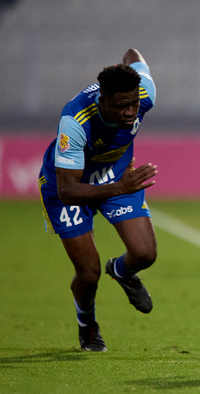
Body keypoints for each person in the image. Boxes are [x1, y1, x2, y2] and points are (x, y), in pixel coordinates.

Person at [38, 49, 158, 351]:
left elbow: (133, 54)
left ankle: (120, 271)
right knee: (89, 274)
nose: (131, 112)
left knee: (145, 254)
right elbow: (68, 191)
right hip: (66, 188)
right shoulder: (75, 122)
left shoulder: (144, 92)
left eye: (134, 103)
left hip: (113, 175)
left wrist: (125, 61)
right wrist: (120, 188)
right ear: (102, 100)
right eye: (122, 106)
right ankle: (87, 324)